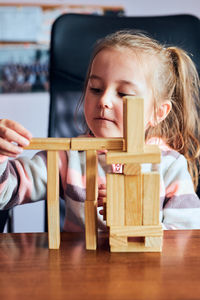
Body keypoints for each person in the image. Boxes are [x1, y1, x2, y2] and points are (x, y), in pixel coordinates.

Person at [0, 30, 200, 231]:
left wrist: (135, 223)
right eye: (95, 89)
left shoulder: (170, 166)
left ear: (158, 112)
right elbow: (5, 193)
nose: (104, 101)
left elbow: (187, 239)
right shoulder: (67, 159)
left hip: (147, 263)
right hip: (80, 262)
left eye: (123, 94)